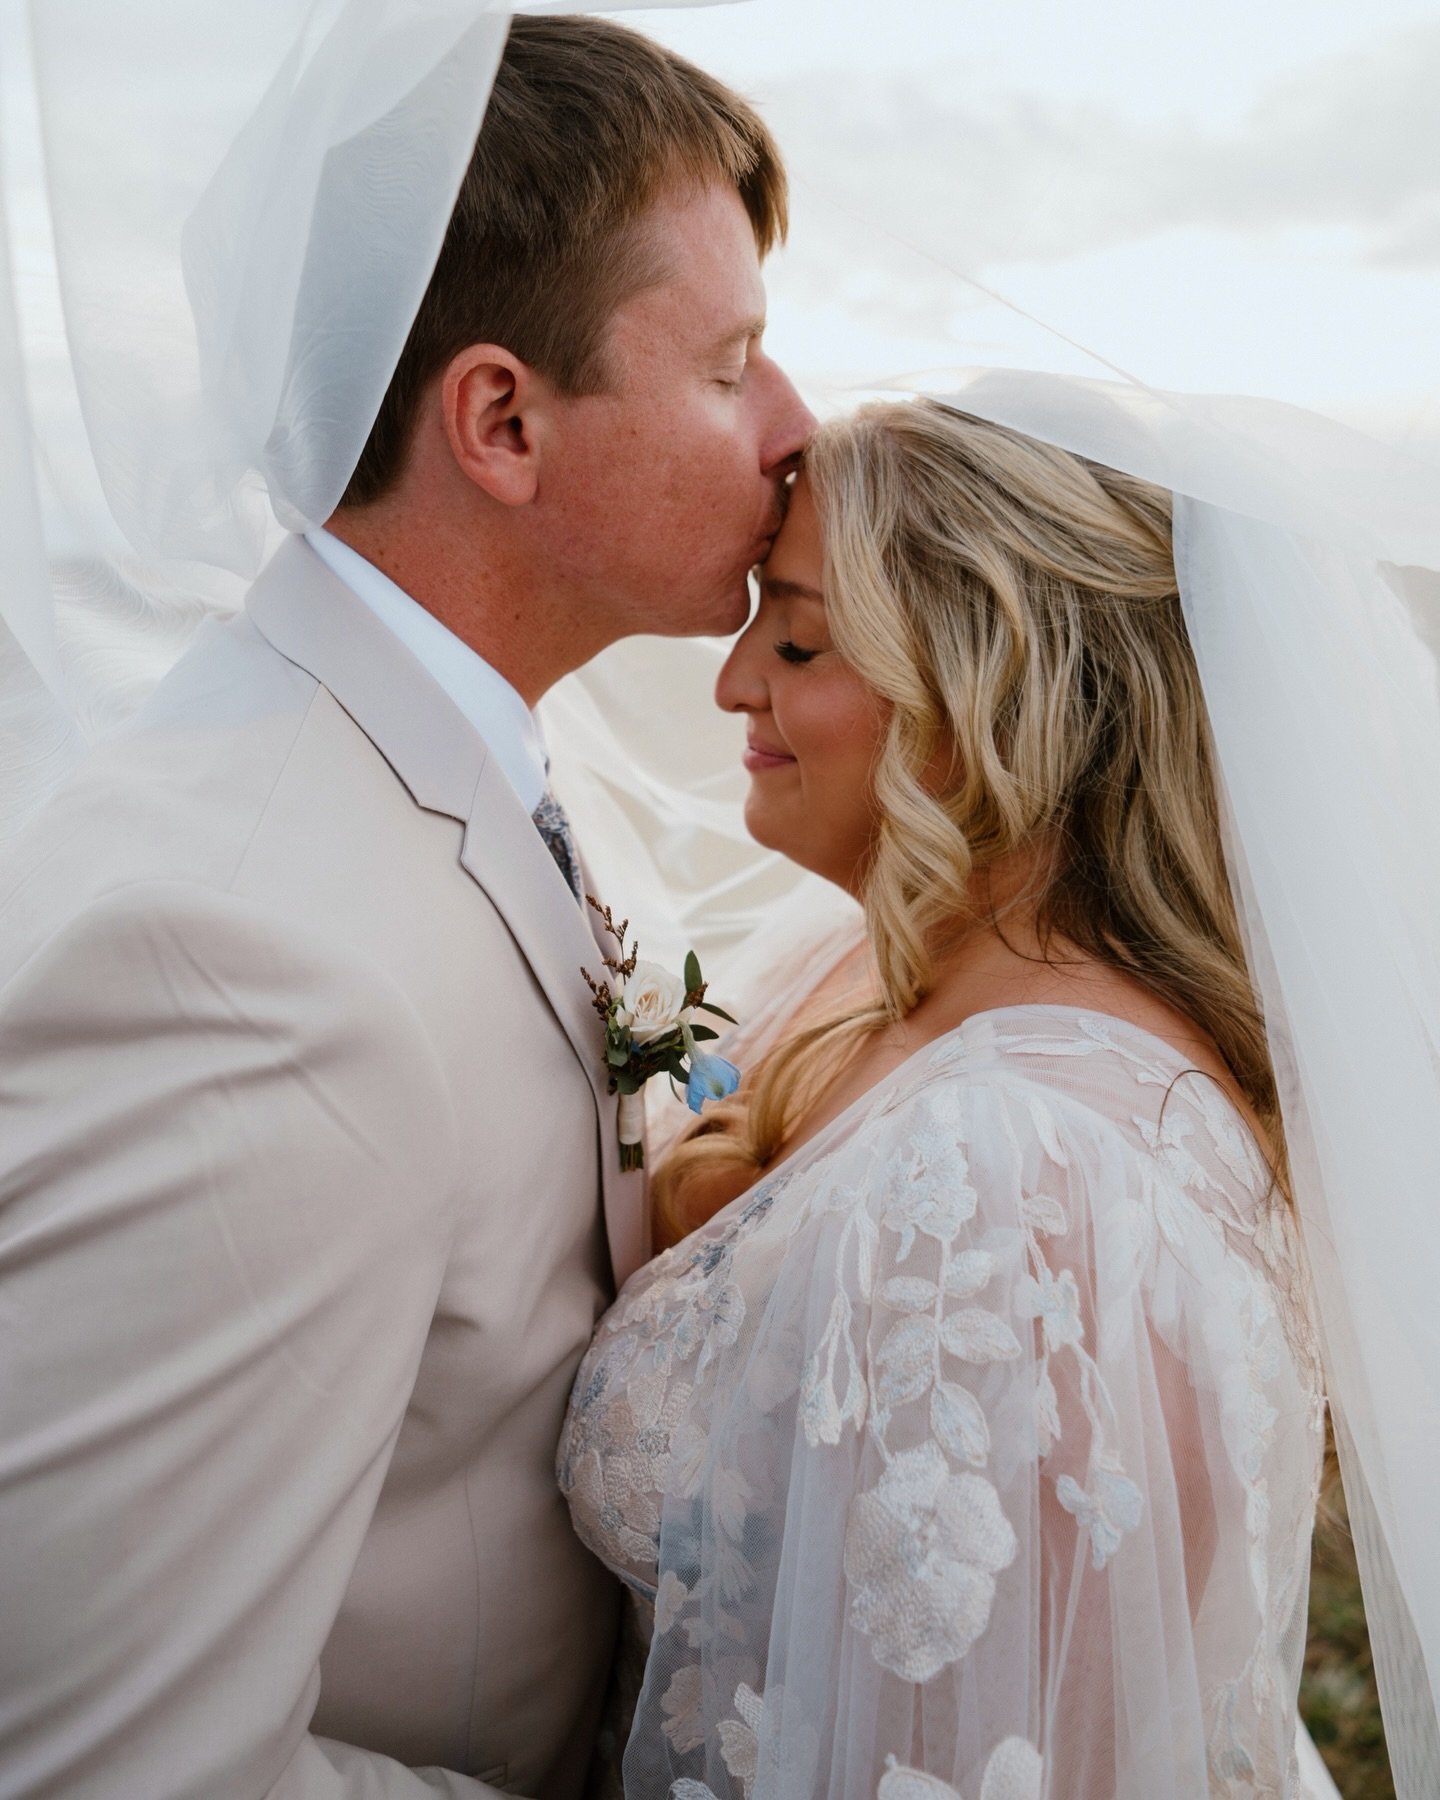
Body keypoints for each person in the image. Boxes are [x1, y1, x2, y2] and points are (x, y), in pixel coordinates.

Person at [0, 16, 810, 1799]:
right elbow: (111, 1768)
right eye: (733, 361)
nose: (797, 428)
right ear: (503, 422)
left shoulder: (457, 750)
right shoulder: (238, 967)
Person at [560, 399, 1326, 1798]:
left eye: (794, 638)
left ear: (982, 698)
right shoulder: (856, 973)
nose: (733, 683)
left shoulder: (1035, 1180)